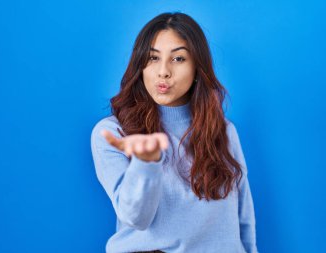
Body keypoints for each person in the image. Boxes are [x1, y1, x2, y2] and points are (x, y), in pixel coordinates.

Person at [91, 12, 258, 253]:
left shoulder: (223, 131)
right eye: (152, 58)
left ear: (197, 67)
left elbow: (243, 216)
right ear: (140, 65)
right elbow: (136, 219)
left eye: (178, 59)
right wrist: (146, 163)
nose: (163, 72)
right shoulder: (114, 133)